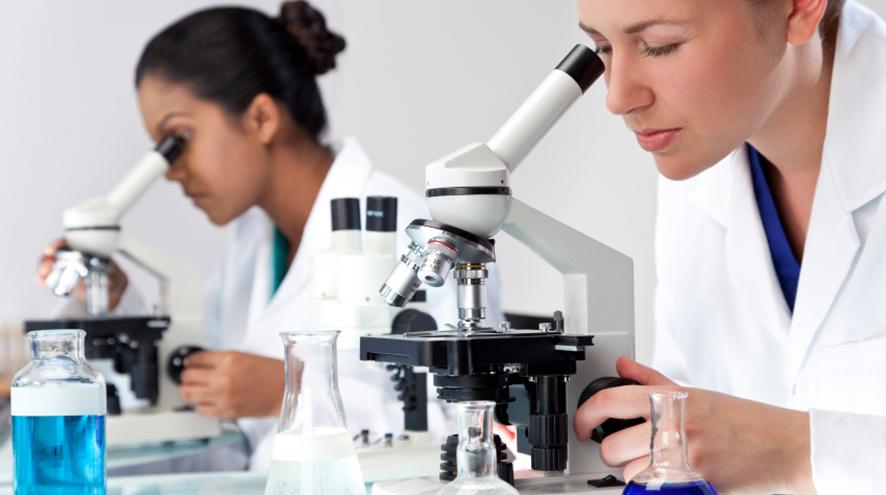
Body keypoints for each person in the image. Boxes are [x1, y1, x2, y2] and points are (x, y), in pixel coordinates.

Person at [37, 1, 501, 472]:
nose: (171, 172)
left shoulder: (417, 232)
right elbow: (213, 413)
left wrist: (290, 390)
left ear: (261, 117)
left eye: (178, 140)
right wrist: (115, 301)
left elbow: (467, 428)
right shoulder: (253, 242)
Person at [571, 0, 885, 492]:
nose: (617, 96)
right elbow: (690, 431)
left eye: (661, 44)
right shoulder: (701, 164)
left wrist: (797, 451)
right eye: (603, 47)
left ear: (799, 9)